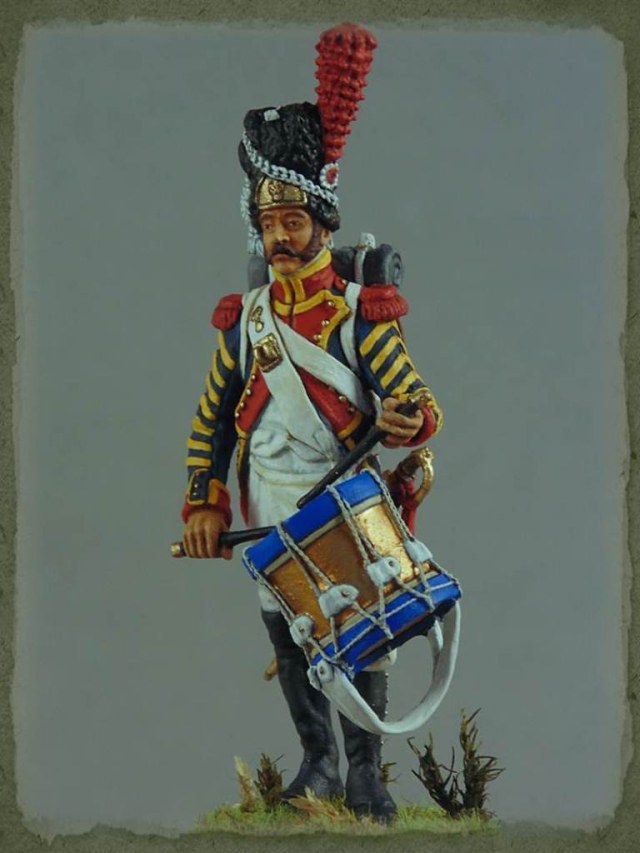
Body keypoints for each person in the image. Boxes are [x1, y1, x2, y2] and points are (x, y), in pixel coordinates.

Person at [180, 24, 443, 823]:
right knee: (290, 631)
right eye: (269, 225)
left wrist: (404, 419)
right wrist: (203, 501)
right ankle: (318, 763)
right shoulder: (246, 322)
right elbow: (212, 419)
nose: (279, 238)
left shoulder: (362, 316)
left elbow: (417, 402)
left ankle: (366, 773)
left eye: (292, 222)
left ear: (323, 224)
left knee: (361, 631)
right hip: (267, 505)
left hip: (345, 504)